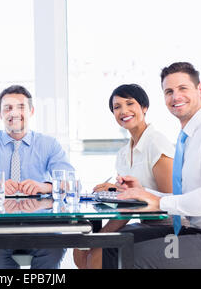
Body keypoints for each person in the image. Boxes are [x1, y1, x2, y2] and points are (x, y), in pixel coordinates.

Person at [103, 62, 201, 268]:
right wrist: (143, 192)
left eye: (183, 89)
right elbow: (184, 196)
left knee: (132, 258)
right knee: (115, 244)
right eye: (169, 91)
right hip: (198, 233)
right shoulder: (188, 137)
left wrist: (159, 202)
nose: (175, 97)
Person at [0, 85, 74, 269]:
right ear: (0, 113)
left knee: (53, 251)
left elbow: (71, 181)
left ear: (31, 111)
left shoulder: (49, 144)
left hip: (41, 225)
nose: (14, 113)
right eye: (8, 108)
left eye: (20, 107)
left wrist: (45, 186)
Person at [74, 83, 176, 269]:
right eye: (117, 107)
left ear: (144, 108)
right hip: (145, 223)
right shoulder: (123, 153)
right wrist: (102, 233)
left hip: (170, 228)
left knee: (98, 254)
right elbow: (126, 206)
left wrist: (102, 236)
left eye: (130, 104)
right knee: (81, 249)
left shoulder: (156, 143)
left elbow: (171, 199)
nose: (124, 110)